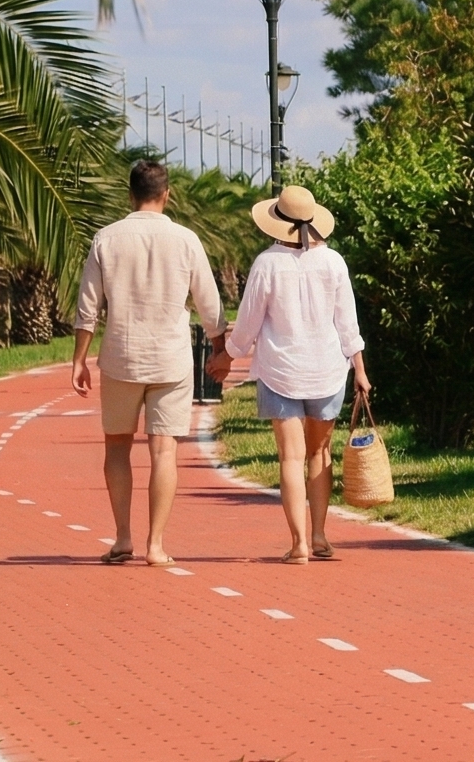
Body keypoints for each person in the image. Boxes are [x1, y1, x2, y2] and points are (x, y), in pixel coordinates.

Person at [72, 158, 226, 567]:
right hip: (171, 361)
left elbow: (88, 305)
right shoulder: (186, 240)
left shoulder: (106, 239)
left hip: (121, 357)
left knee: (117, 447)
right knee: (164, 452)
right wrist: (220, 349)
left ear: (130, 194)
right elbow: (209, 304)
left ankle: (123, 537)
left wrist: (79, 359)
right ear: (166, 194)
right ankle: (156, 545)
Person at [210, 186, 370, 564]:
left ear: (277, 222)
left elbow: (247, 324)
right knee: (319, 453)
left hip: (280, 372)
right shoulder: (334, 262)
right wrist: (360, 370)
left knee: (290, 458)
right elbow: (348, 324)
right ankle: (319, 535)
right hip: (327, 371)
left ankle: (298, 544)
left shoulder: (267, 264)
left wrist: (226, 357)